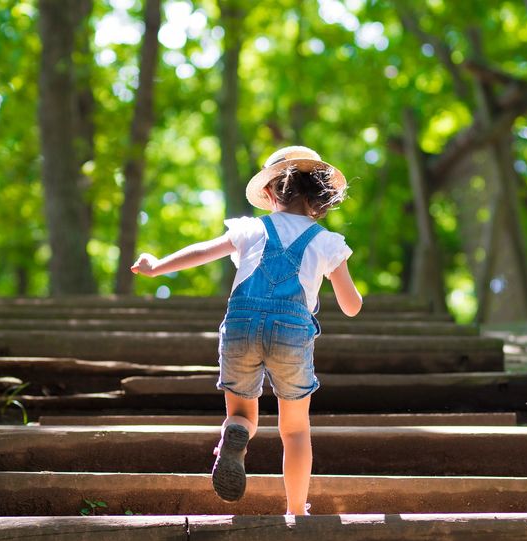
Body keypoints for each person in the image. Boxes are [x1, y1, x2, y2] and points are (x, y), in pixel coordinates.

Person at [130, 146, 362, 516]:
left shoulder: (251, 228)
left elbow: (203, 251)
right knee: (296, 429)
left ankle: (236, 433)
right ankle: (296, 510)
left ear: (270, 195)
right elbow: (351, 307)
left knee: (241, 413)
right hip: (292, 332)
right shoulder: (327, 242)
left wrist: (156, 267)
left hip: (241, 326)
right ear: (319, 200)